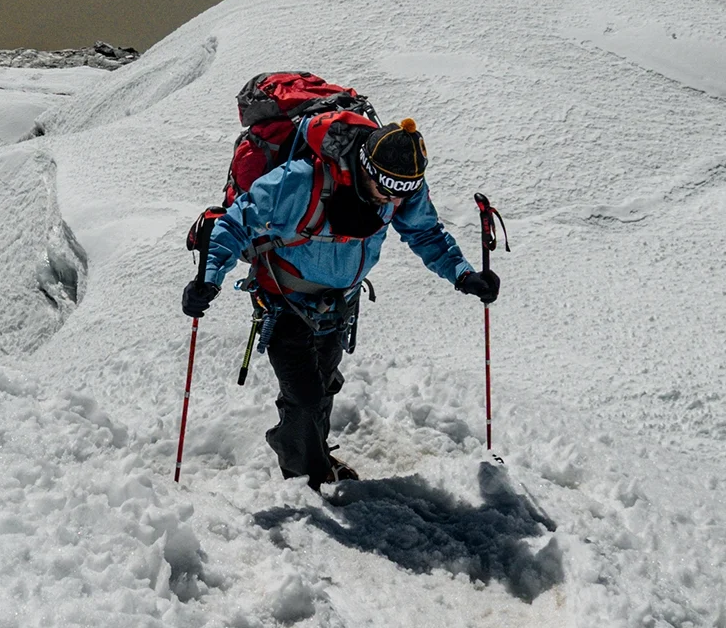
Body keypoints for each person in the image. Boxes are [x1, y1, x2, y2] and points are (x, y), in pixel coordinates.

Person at [183, 118, 500, 490]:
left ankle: (313, 454)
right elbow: (234, 225)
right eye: (385, 190)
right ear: (364, 168)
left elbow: (426, 232)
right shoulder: (299, 181)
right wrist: (208, 279)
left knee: (324, 384)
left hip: (340, 306)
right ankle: (305, 480)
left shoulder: (402, 184)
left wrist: (463, 275)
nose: (393, 201)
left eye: (402, 194)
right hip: (284, 302)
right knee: (304, 397)